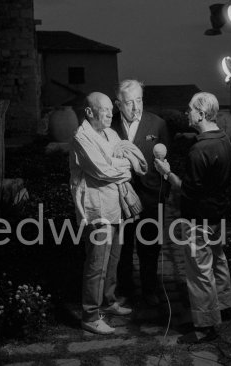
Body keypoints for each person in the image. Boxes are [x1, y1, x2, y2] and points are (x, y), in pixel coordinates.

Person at [154, 92, 231, 344]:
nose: (187, 112)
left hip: (199, 218)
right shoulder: (225, 141)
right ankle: (223, 307)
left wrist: (167, 174)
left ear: (200, 113)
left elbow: (187, 191)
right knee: (218, 260)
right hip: (218, 214)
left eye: (190, 109)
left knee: (199, 271)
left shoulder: (199, 150)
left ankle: (205, 326)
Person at [69, 92, 142, 335]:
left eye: (112, 109)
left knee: (114, 258)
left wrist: (118, 164)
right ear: (90, 112)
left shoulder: (110, 133)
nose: (112, 113)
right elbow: (103, 171)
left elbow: (126, 161)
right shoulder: (82, 138)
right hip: (98, 209)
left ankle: (108, 302)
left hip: (116, 205)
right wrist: (120, 166)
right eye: (105, 109)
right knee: (96, 264)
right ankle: (90, 315)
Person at [111, 79, 171, 306]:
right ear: (118, 104)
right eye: (129, 103)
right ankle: (126, 289)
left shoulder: (158, 125)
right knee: (123, 248)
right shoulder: (110, 127)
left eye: (139, 100)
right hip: (121, 198)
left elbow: (169, 162)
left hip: (150, 197)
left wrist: (163, 193)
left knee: (150, 247)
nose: (136, 107)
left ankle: (149, 290)